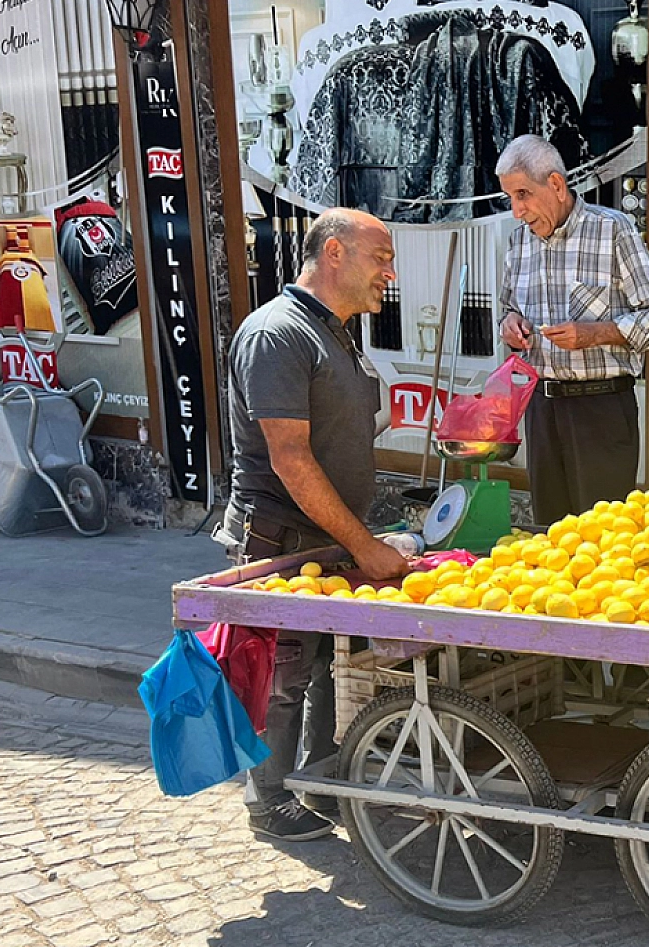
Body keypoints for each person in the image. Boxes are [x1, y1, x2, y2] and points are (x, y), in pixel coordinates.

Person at [216, 207, 412, 842]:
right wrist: (365, 546)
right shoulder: (278, 334)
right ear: (334, 252)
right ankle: (268, 801)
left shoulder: (335, 331)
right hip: (280, 539)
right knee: (281, 676)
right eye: (379, 258)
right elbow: (290, 458)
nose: (390, 271)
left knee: (327, 667)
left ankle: (320, 784)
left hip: (326, 538)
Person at [496, 134, 649, 525]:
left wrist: (596, 333)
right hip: (542, 408)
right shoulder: (518, 243)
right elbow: (508, 308)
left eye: (523, 194)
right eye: (510, 198)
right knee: (551, 535)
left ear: (557, 185)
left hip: (600, 409)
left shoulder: (613, 230)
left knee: (603, 538)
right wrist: (510, 325)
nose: (517, 210)